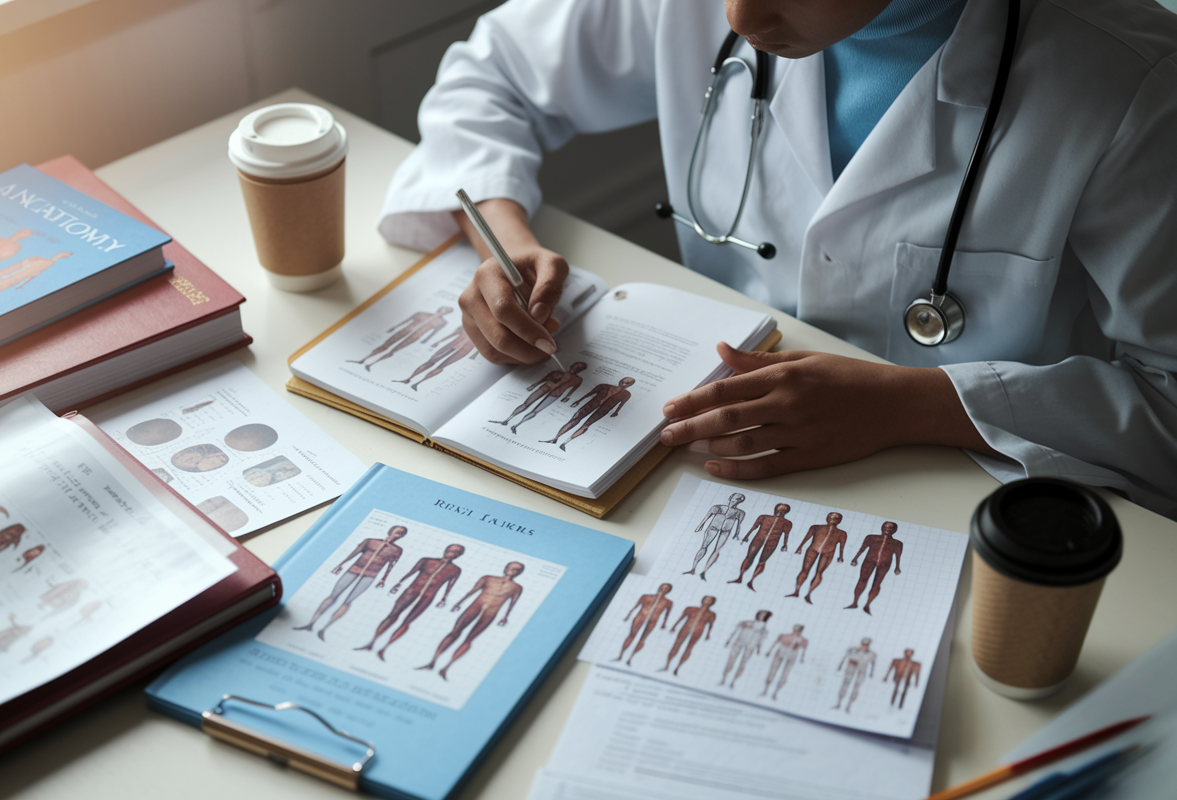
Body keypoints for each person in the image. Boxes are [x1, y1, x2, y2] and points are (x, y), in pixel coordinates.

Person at [376, 0, 1177, 519]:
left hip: (975, 498)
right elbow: (495, 70)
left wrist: (914, 404)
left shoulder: (1134, 80)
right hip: (691, 467)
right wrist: (502, 232)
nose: (738, 11)